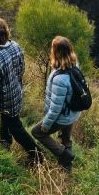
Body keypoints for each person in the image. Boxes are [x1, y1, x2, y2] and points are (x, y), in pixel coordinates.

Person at [0, 17, 42, 164]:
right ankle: (5, 143)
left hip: (7, 99)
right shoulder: (15, 46)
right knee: (6, 119)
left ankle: (37, 155)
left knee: (16, 128)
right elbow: (22, 69)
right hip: (17, 92)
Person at [31, 36, 80, 171]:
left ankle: (65, 155)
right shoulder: (74, 65)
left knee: (37, 132)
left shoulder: (60, 79)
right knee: (66, 139)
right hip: (72, 113)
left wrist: (46, 125)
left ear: (56, 52)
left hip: (62, 116)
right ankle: (66, 168)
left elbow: (55, 109)